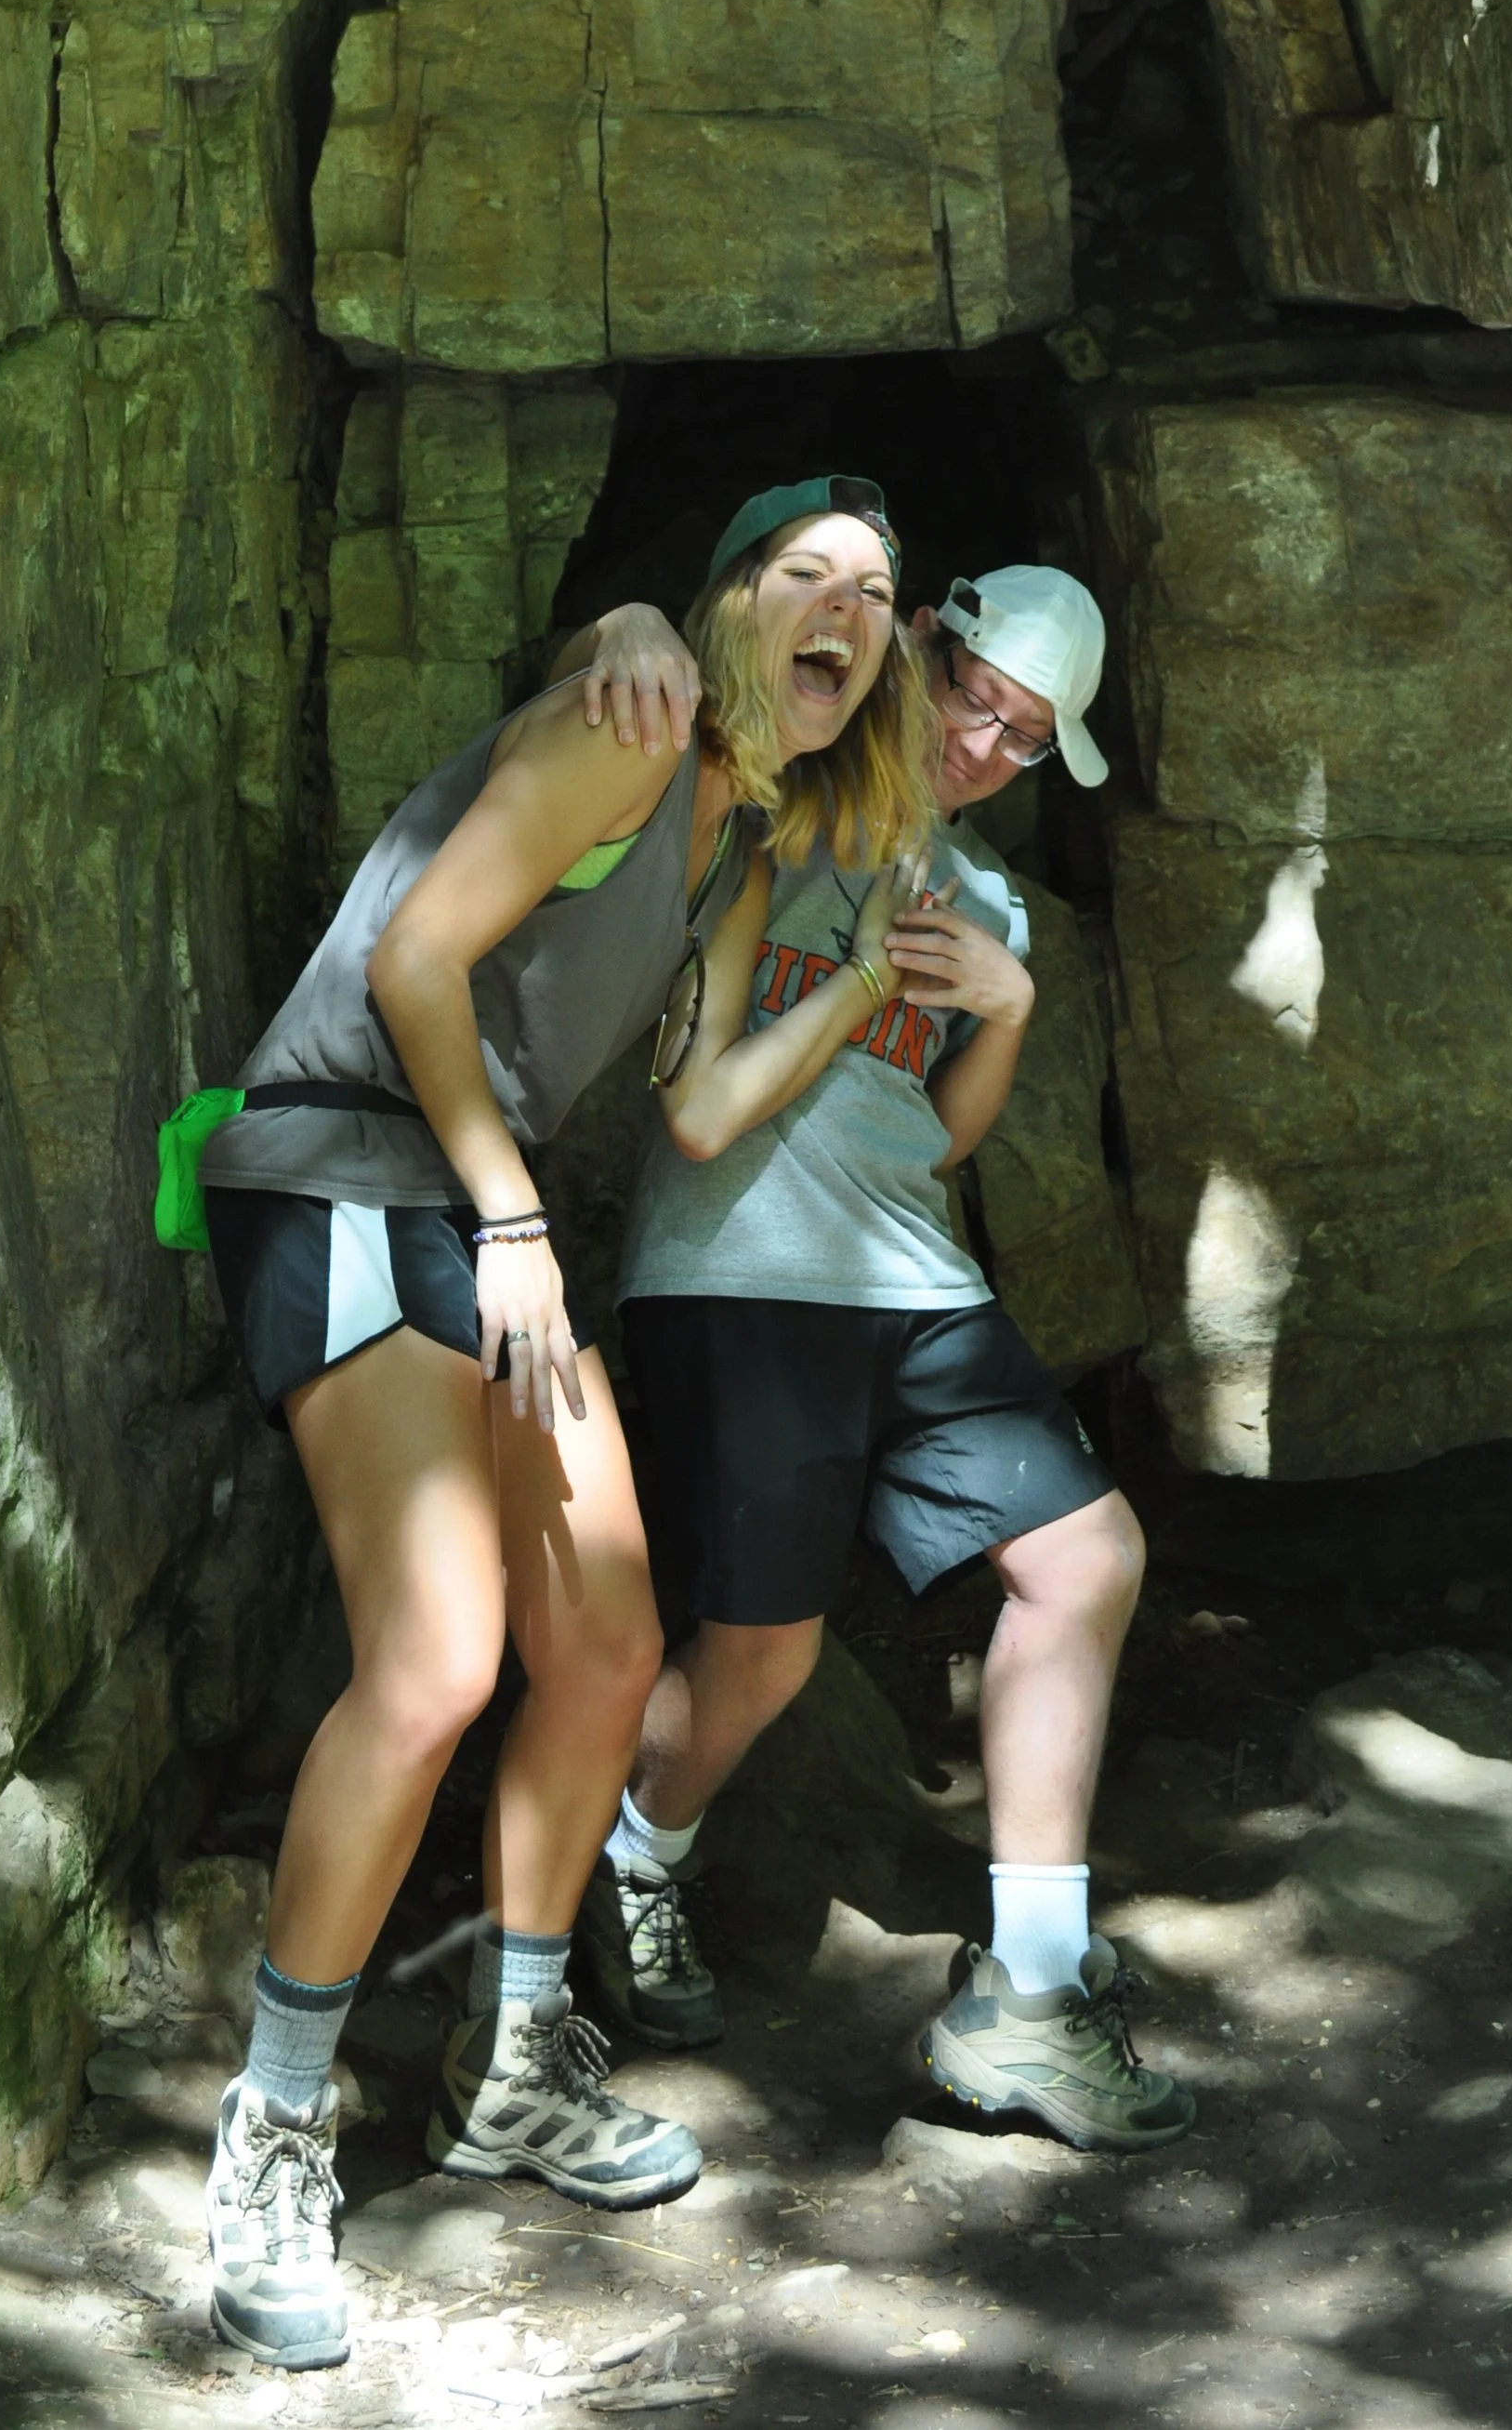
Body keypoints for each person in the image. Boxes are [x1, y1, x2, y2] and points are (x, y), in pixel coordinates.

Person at [166, 480, 938, 2370]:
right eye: (803, 575)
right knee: (434, 1659)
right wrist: (514, 1218)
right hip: (348, 1176)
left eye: (876, 596)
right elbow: (419, 956)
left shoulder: (726, 821)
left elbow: (683, 1099)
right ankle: (269, 2127)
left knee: (600, 1637)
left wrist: (855, 988)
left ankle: (506, 2063)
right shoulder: (633, 722)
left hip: (457, 1213)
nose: (841, 608)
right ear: (722, 601)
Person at [573, 563, 1195, 2157]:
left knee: (1087, 1554)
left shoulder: (980, 897)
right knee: (762, 1654)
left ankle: (1035, 1990)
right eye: (980, 699)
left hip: (911, 1276)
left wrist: (1010, 1005)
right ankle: (636, 1856)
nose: (988, 744)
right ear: (924, 646)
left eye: (1029, 739)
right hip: (740, 1269)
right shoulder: (779, 792)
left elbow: (943, 1142)